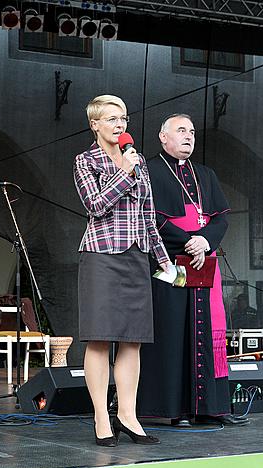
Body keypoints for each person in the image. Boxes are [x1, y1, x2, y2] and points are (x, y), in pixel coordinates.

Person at [137, 114, 248, 427]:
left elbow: (221, 218)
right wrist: (189, 243)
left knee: (207, 332)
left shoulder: (205, 174)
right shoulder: (149, 170)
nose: (188, 136)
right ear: (163, 137)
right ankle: (176, 410)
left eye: (192, 132)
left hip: (204, 263)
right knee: (174, 334)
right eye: (181, 131)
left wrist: (204, 241)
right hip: (169, 264)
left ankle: (210, 408)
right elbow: (150, 217)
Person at [73, 95, 172, 447]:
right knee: (100, 338)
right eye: (112, 119)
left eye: (124, 119)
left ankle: (127, 415)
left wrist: (163, 260)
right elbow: (95, 205)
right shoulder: (85, 161)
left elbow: (148, 216)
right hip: (101, 255)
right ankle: (102, 415)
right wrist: (124, 172)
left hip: (136, 257)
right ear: (95, 124)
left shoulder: (139, 160)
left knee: (133, 340)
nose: (120, 125)